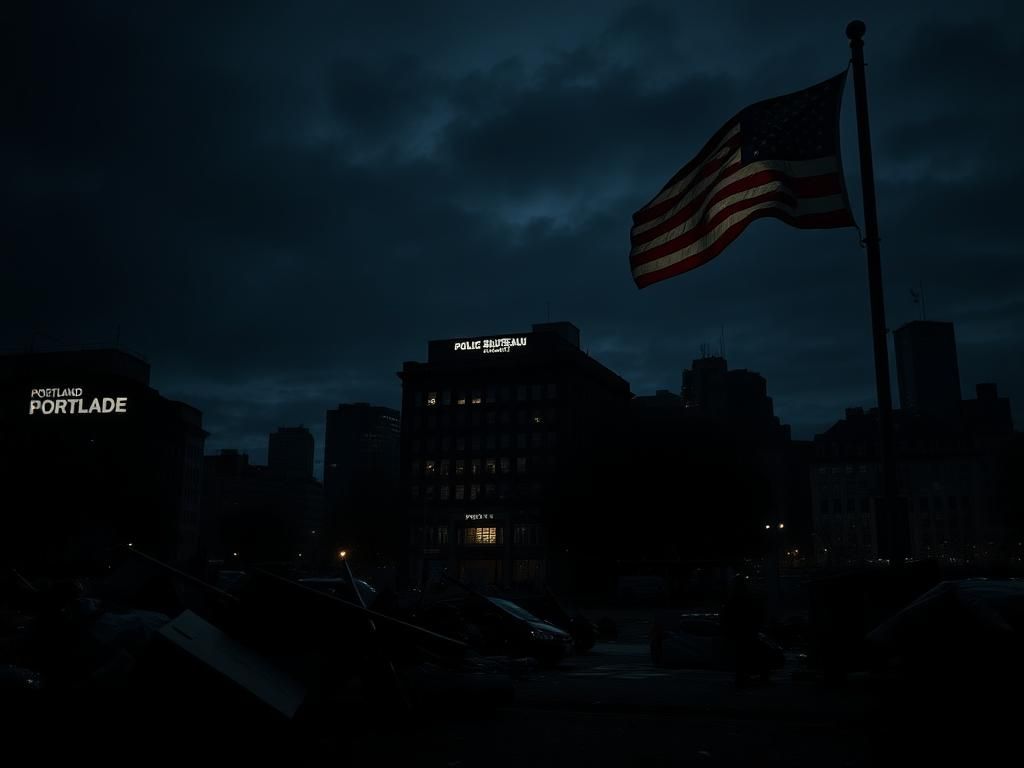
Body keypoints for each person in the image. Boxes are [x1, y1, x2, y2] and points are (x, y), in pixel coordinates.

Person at [721, 575, 765, 688]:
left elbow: (726, 617)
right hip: (746, 631)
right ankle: (744, 677)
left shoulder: (732, 600)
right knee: (745, 656)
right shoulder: (746, 599)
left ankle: (741, 678)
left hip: (739, 632)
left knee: (740, 657)